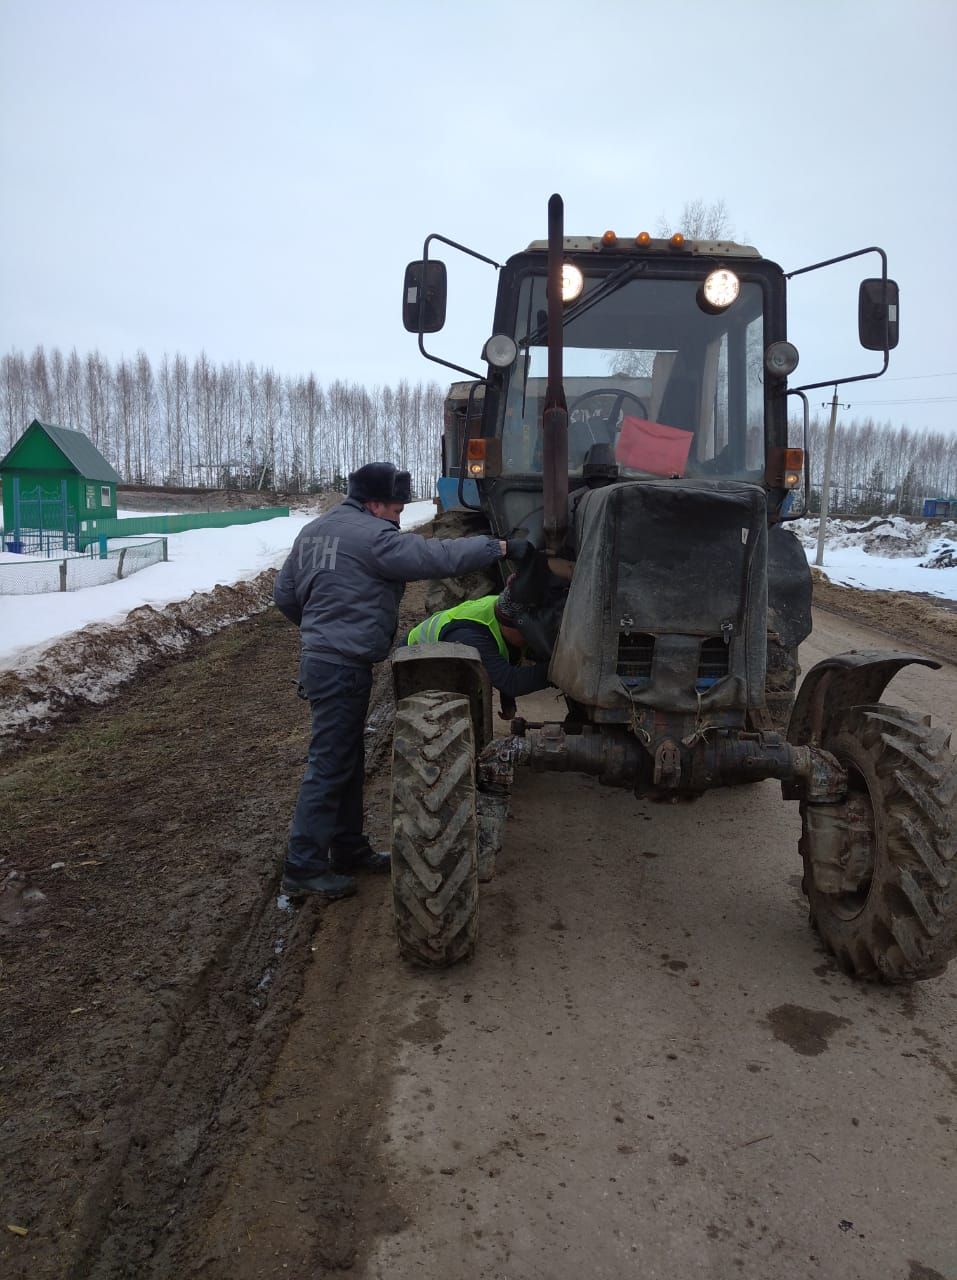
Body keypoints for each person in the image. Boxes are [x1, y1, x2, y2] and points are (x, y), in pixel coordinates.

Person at [273, 461, 525, 902]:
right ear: (374, 503)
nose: (398, 518)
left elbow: (285, 595)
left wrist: (320, 631)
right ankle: (303, 866)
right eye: (395, 509)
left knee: (346, 759)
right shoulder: (372, 536)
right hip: (341, 663)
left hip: (326, 659)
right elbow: (433, 558)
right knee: (329, 764)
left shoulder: (314, 531)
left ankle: (348, 848)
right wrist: (497, 548)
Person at [405, 586, 550, 720]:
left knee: (473, 722)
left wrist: (507, 700)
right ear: (509, 625)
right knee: (450, 721)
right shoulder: (472, 638)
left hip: (457, 669)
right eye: (527, 634)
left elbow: (507, 654)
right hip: (417, 666)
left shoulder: (505, 608)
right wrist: (558, 672)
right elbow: (510, 681)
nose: (531, 639)